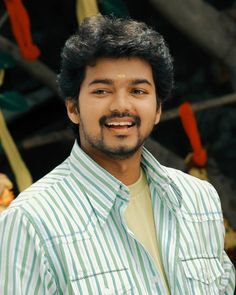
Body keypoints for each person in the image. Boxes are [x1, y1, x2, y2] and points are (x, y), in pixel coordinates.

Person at [0, 15, 235, 295]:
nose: (121, 106)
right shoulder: (30, 220)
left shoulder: (199, 199)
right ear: (73, 108)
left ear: (157, 108)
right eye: (102, 90)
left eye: (138, 90)